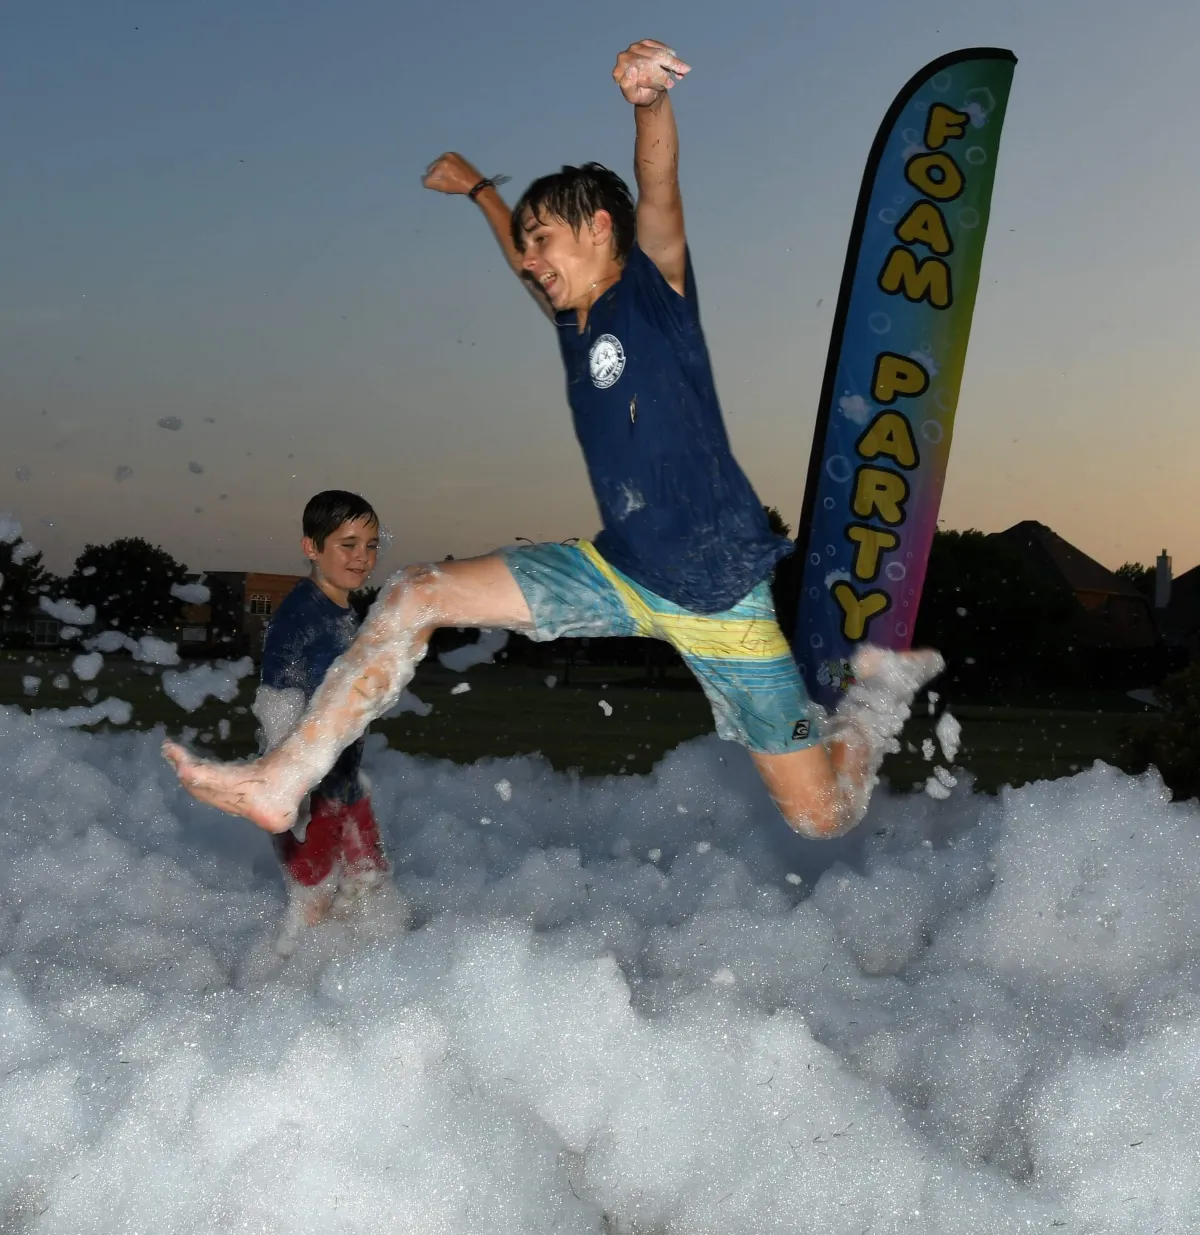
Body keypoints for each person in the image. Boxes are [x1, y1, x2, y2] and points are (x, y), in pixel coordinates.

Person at [164, 38, 942, 840]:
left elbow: (660, 184)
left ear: (602, 229)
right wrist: (477, 190)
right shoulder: (576, 326)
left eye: (544, 240)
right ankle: (282, 778)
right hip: (618, 570)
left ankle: (877, 702)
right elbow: (515, 261)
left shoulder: (656, 292)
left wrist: (648, 103)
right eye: (527, 245)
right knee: (413, 593)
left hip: (722, 598)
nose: (530, 259)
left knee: (823, 818)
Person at [252, 490, 391, 939]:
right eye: (347, 544)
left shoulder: (339, 609)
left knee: (368, 884)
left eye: (371, 545)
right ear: (311, 547)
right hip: (314, 785)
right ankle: (285, 984)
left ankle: (356, 971)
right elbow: (277, 698)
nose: (362, 557)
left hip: (342, 781)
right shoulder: (301, 615)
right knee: (315, 898)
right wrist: (292, 782)